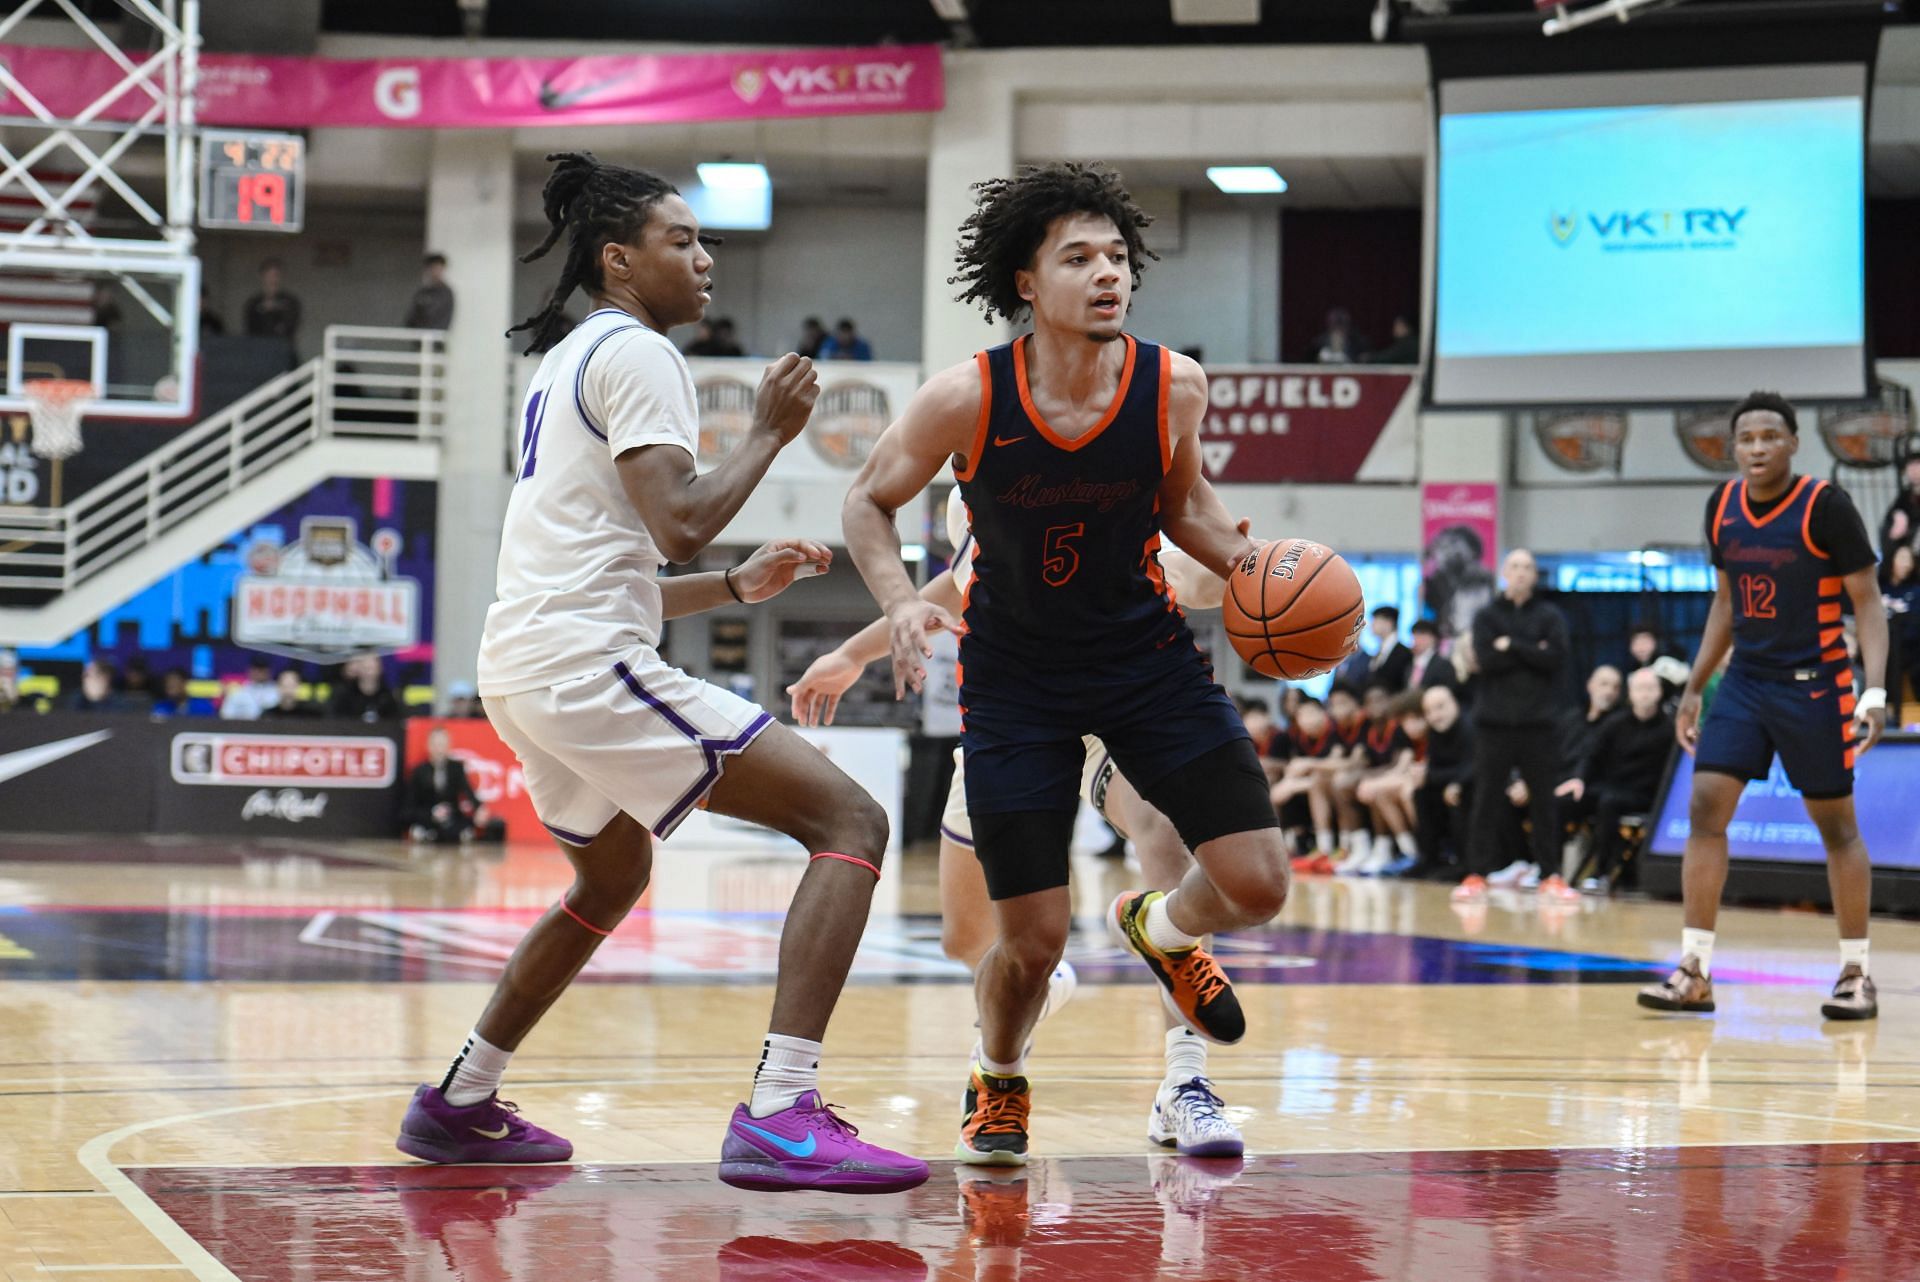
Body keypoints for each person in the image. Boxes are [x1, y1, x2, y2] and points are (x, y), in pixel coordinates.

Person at [396, 152, 926, 1194]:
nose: (705, 257)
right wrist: (770, 433)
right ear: (619, 260)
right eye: (681, 239)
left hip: (529, 661)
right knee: (852, 824)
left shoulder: (567, 359)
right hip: (584, 664)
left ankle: (459, 1097)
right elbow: (678, 524)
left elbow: (619, 566)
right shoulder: (638, 354)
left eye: (704, 238)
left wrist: (736, 588)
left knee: (612, 877)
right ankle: (781, 1108)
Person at [841, 162, 1289, 1166]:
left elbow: (1188, 509)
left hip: (1146, 660)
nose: (1107, 275)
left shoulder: (1174, 386)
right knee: (1032, 944)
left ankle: (1163, 930)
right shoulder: (966, 397)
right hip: (1017, 682)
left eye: (1119, 257)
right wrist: (901, 599)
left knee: (1257, 882)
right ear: (1026, 284)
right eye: (1077, 258)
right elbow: (865, 503)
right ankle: (998, 1075)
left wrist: (1257, 566)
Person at [788, 488, 1246, 1156]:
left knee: (1163, 826)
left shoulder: (1106, 534)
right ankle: (1017, 1024)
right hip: (1007, 734)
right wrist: (852, 656)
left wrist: (1239, 562)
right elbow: (942, 588)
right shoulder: (980, 544)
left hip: (1106, 728)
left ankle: (1185, 1083)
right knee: (968, 940)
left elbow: (1191, 575)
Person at [1638, 391, 1888, 1021]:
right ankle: (1694, 969)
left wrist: (1876, 690)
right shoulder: (1721, 506)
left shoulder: (1825, 506)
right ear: (1734, 447)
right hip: (1746, 680)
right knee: (1704, 807)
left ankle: (1856, 973)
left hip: (1815, 683)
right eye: (1746, 438)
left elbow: (1869, 603)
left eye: (1769, 437)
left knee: (1836, 828)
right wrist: (1695, 686)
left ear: (1793, 443)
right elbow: (1725, 603)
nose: (1756, 448)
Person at [1457, 548, 1571, 902]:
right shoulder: (1487, 615)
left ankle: (1551, 873)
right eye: (1515, 566)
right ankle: (1476, 872)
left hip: (1537, 723)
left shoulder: (1550, 614)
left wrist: (1512, 646)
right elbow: (1486, 659)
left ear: (1535, 575)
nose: (1521, 573)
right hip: (1494, 723)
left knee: (1543, 803)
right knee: (1486, 799)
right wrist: (1529, 650)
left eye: (1528, 568)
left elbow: (1555, 657)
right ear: (1504, 572)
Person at [1555, 667, 1673, 891]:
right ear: (1631, 693)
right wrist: (1579, 779)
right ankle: (1549, 869)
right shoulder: (1615, 724)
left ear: (1659, 692)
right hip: (1611, 788)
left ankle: (1601, 872)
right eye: (1640, 689)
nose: (1645, 694)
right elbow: (1592, 755)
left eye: (1650, 688)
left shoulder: (1668, 729)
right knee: (1565, 800)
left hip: (1644, 794)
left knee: (1608, 802)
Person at [404, 727, 504, 844]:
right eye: (435, 745)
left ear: (448, 746)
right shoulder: (419, 771)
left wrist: (479, 808)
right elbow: (410, 802)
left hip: (452, 817)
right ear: (429, 746)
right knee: (417, 826)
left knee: (463, 829)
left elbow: (468, 791)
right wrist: (431, 813)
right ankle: (426, 833)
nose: (439, 749)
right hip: (427, 817)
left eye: (442, 745)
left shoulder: (456, 768)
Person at [328, 654, 404, 722]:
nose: (368, 671)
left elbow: (395, 721)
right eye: (365, 667)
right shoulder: (346, 695)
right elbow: (337, 720)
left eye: (371, 667)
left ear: (380, 668)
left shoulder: (387, 696)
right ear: (358, 669)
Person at [242, 259, 301, 342]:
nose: (272, 279)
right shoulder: (253, 303)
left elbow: (290, 326)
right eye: (269, 275)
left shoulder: (290, 302)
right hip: (258, 348)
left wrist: (275, 311)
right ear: (262, 276)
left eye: (276, 275)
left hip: (283, 348)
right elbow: (250, 328)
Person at [1879, 456, 1920, 562]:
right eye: (1911, 465)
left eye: (1917, 464)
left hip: (1914, 537)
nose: (1914, 470)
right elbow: (1893, 511)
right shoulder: (1907, 494)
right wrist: (1898, 514)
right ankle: (1890, 565)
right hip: (1904, 537)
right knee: (1886, 527)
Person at [403, 253, 455, 330]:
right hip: (418, 336)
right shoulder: (422, 292)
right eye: (433, 268)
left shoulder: (446, 293)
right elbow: (411, 318)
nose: (435, 271)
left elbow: (436, 317)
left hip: (436, 338)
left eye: (438, 268)